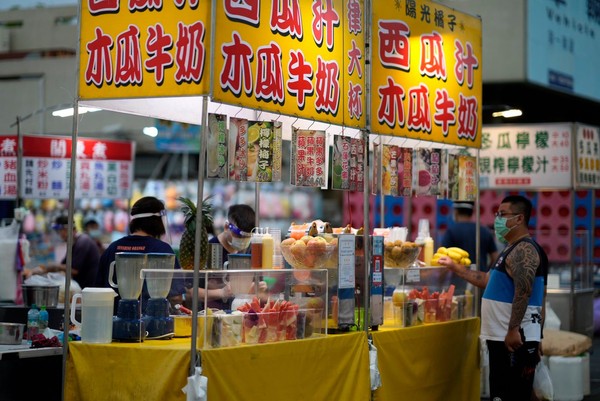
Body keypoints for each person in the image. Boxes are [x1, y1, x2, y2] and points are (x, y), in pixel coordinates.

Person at [438, 195, 548, 401]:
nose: (497, 219)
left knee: (512, 395)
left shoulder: (525, 249)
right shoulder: (510, 249)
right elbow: (486, 279)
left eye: (502, 214)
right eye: (497, 214)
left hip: (513, 339)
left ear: (519, 219)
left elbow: (525, 292)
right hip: (502, 338)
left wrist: (515, 330)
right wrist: (456, 268)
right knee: (505, 392)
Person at [95, 196, 186, 311]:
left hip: (112, 322)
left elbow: (98, 289)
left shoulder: (112, 248)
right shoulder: (163, 250)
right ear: (157, 221)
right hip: (152, 324)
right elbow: (176, 298)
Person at [186, 204, 256, 310]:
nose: (242, 241)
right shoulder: (207, 249)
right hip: (210, 313)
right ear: (227, 227)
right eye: (239, 236)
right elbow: (189, 291)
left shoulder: (250, 250)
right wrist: (221, 293)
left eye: (247, 237)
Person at [31, 215, 101, 289]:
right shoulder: (75, 243)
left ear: (66, 229)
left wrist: (54, 266)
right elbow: (64, 264)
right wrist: (45, 269)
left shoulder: (83, 242)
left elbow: (74, 270)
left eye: (60, 231)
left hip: (90, 287)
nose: (60, 235)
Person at [440, 201, 499, 271]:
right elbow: (495, 258)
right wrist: (487, 274)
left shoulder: (451, 231)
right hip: (480, 278)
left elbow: (443, 259)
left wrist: (440, 280)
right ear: (472, 212)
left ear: (456, 212)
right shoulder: (484, 231)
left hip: (458, 279)